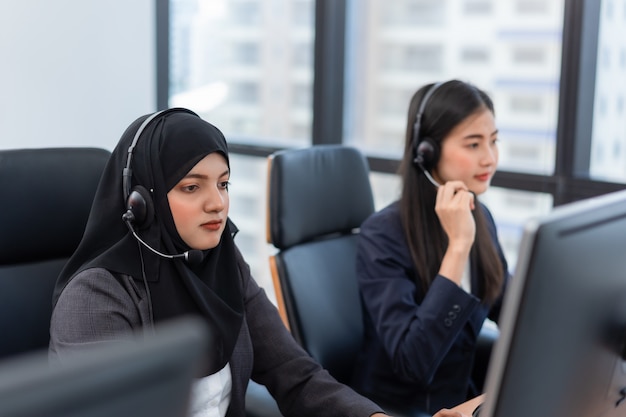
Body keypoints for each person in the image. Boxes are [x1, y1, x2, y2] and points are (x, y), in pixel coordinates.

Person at [48, 108, 390, 417]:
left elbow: (296, 374)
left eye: (223, 184)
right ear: (141, 201)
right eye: (192, 187)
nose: (217, 203)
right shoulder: (95, 296)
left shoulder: (224, 264)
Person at [350, 80, 511, 416]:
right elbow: (414, 361)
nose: (490, 159)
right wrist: (458, 248)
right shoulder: (382, 235)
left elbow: (512, 309)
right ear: (427, 152)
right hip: (398, 411)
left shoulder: (481, 219)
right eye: (473, 144)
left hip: (461, 406)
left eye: (493, 141)